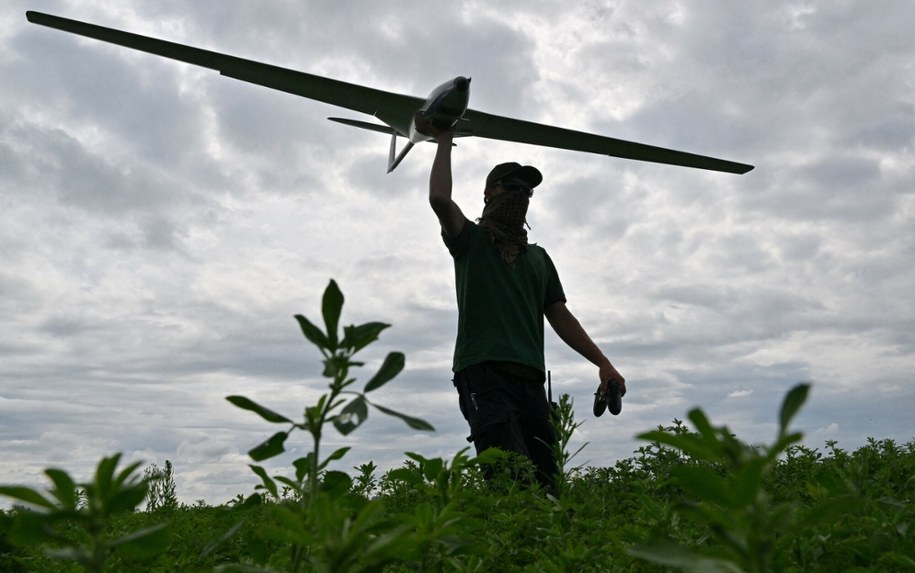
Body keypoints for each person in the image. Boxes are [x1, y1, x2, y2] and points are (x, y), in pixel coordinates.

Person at [420, 116, 626, 491]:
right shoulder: (471, 241)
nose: (521, 196)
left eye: (527, 192)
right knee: (509, 481)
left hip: (531, 381)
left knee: (548, 484)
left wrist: (603, 363)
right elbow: (439, 199)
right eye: (511, 187)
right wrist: (444, 137)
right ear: (488, 193)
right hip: (483, 374)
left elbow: (560, 316)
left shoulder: (539, 259)